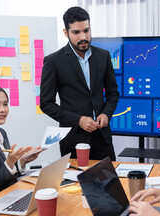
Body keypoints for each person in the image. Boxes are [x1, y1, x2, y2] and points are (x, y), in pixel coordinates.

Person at [40, 6, 119, 161]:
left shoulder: (103, 56)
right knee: (75, 185)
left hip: (102, 138)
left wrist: (106, 114)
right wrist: (78, 120)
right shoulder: (53, 61)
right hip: (73, 140)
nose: (83, 36)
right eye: (76, 32)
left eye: (87, 30)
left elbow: (113, 93)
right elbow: (46, 103)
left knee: (110, 182)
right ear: (66, 33)